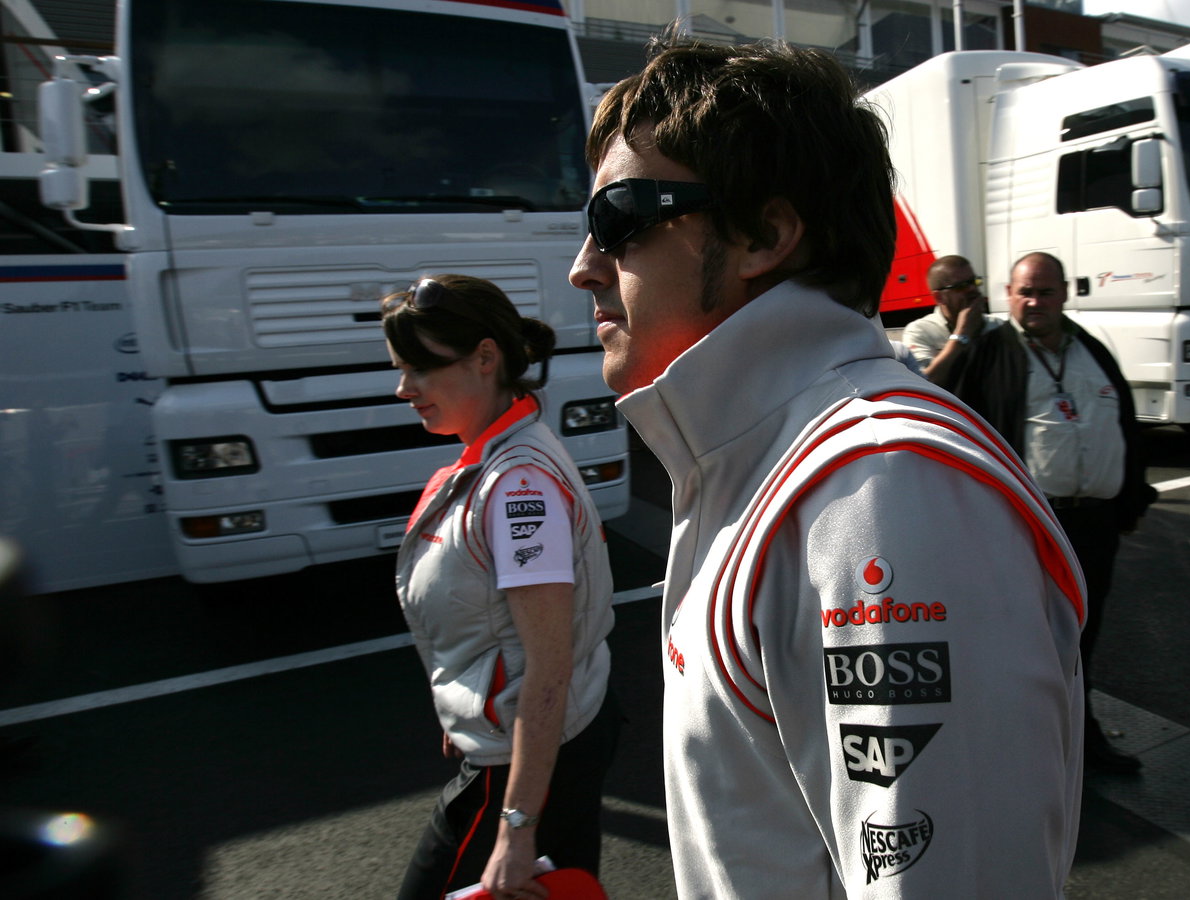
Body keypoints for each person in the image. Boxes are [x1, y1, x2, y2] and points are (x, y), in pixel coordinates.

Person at [568, 39, 1085, 897]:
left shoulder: (881, 487)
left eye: (619, 218)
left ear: (765, 235)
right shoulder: (760, 460)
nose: (585, 265)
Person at [383, 274, 621, 900]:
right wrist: (468, 692)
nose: (404, 389)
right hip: (529, 742)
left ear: (485, 358)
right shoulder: (496, 458)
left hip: (519, 763)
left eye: (420, 369)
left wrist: (516, 826)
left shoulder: (518, 485)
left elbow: (548, 665)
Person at [950, 252, 1157, 775]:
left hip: (1094, 523)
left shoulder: (1091, 350)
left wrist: (1130, 498)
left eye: (1044, 292)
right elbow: (958, 428)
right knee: (1023, 640)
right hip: (1030, 528)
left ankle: (1081, 744)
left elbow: (1124, 425)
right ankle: (1020, 749)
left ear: (1065, 293)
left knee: (1082, 637)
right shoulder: (992, 351)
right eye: (1025, 292)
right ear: (1008, 293)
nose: (1034, 302)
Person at [899, 255, 995, 387]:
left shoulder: (996, 326)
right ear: (939, 297)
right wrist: (961, 335)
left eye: (974, 282)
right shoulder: (919, 331)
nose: (972, 289)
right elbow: (925, 383)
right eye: (961, 286)